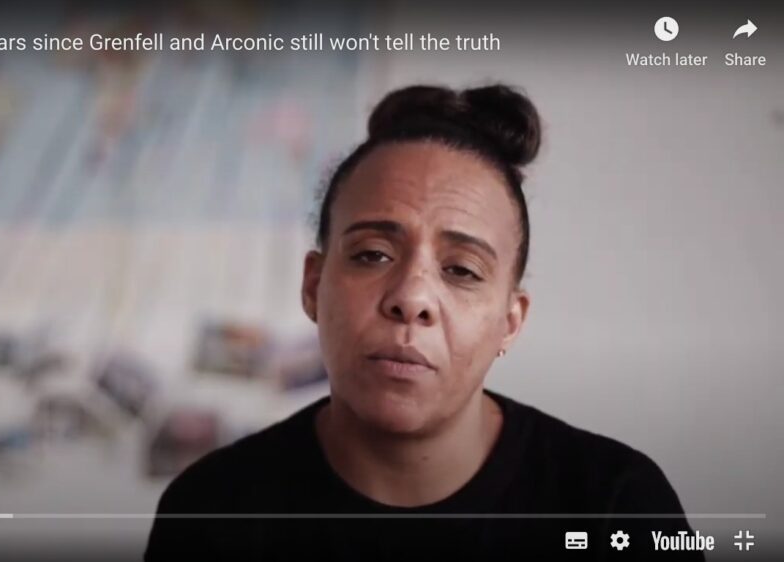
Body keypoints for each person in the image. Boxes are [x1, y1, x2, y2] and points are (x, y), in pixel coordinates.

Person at [145, 84, 702, 561]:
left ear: (510, 323)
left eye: (461, 270)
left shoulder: (615, 506)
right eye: (372, 255)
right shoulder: (211, 510)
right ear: (314, 286)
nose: (412, 298)